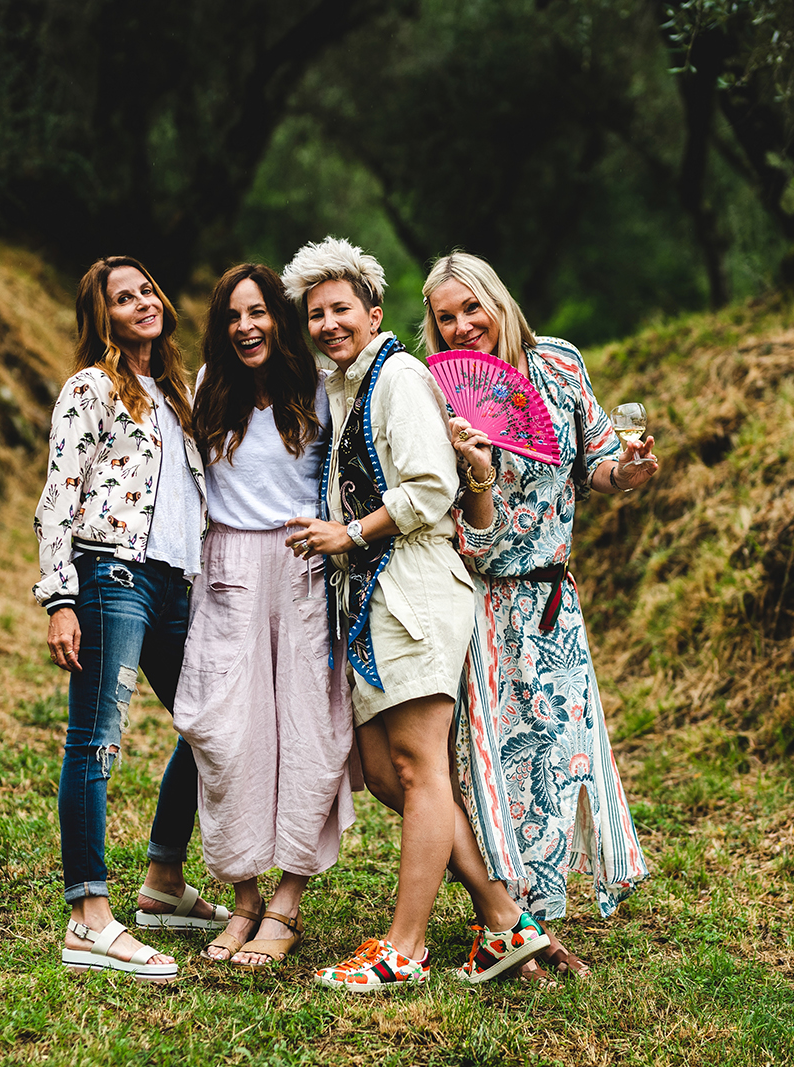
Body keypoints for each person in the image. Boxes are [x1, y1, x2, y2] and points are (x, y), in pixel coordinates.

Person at [281, 237, 552, 991]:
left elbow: (433, 488)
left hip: (414, 587)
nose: (328, 323)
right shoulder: (344, 385)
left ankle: (404, 947)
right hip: (371, 597)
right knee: (383, 771)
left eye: (340, 309)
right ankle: (504, 920)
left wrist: (351, 533)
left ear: (373, 313)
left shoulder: (398, 377)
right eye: (315, 314)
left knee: (417, 765)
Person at [423, 251, 656, 979]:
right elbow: (473, 536)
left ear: (499, 300)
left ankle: (536, 921)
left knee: (554, 761)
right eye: (445, 317)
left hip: (555, 603)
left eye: (472, 307)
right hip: (484, 604)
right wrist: (481, 475)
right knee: (488, 767)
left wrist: (632, 470)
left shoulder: (557, 366)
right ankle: (508, 924)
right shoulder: (441, 397)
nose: (463, 326)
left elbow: (598, 462)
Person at [32, 255, 229, 981]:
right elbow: (60, 493)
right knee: (95, 744)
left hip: (176, 586)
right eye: (123, 298)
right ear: (103, 317)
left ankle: (163, 881)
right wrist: (59, 597)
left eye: (146, 289)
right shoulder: (91, 387)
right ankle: (88, 917)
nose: (142, 302)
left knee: (209, 724)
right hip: (111, 576)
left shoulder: (177, 393)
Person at [173, 263, 356, 968]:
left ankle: (286, 902)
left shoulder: (316, 387)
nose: (246, 326)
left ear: (278, 319)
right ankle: (243, 895)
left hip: (302, 564)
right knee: (225, 730)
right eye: (232, 316)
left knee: (310, 728)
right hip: (226, 570)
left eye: (259, 312)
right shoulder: (204, 388)